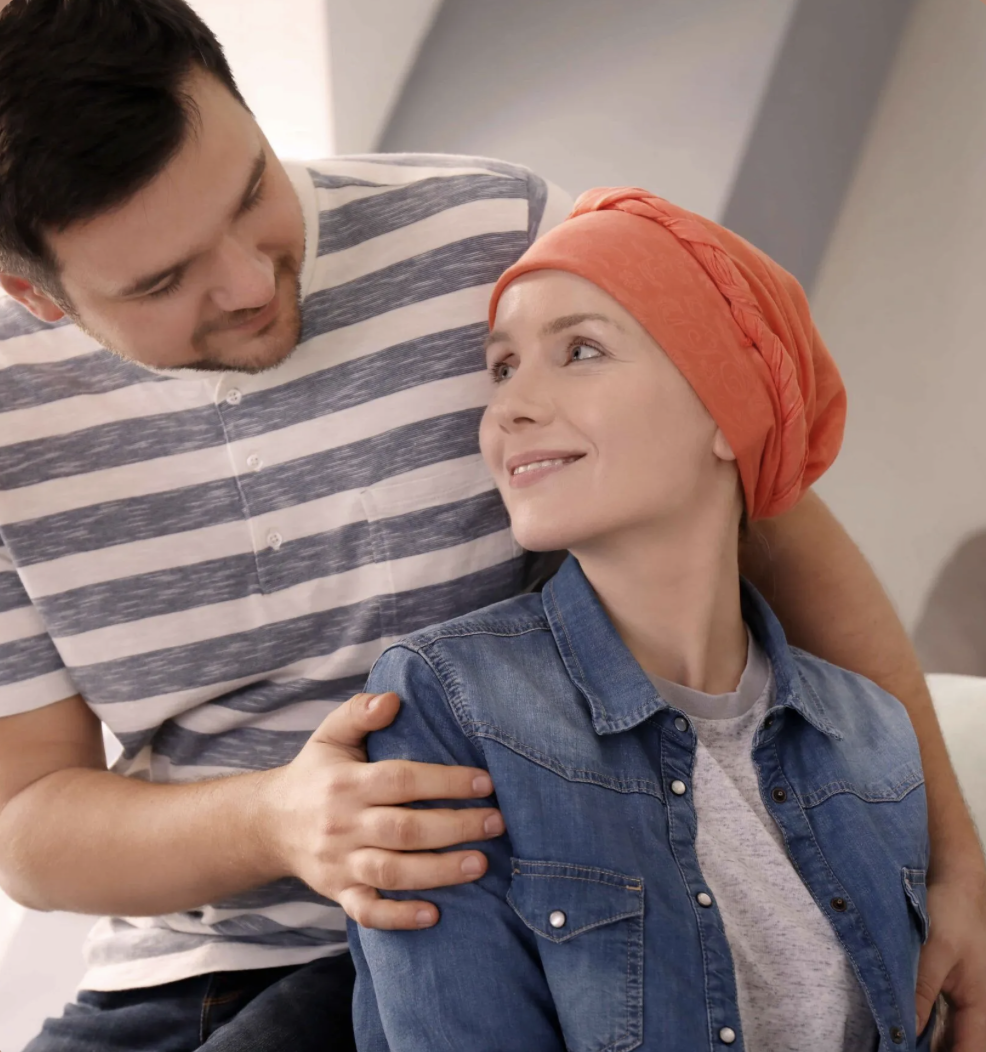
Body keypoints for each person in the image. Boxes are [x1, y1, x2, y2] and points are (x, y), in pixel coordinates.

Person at [0, 1, 980, 1049]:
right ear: (36, 293)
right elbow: (30, 823)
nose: (246, 281)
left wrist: (952, 858)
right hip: (195, 976)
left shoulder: (493, 234)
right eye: (162, 280)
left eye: (250, 194)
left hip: (536, 907)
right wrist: (279, 818)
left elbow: (766, 513)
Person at [350, 189, 940, 1051]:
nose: (509, 407)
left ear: (726, 414)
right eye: (503, 367)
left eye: (579, 350)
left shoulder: (877, 738)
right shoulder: (447, 706)